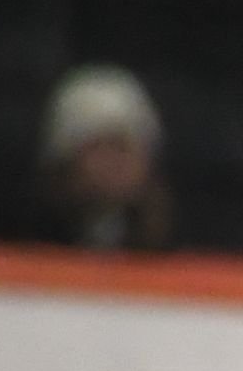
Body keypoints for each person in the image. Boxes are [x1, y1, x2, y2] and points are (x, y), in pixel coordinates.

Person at [29, 63, 177, 252]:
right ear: (64, 161)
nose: (115, 163)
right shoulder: (22, 239)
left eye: (124, 147)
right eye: (100, 147)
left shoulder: (177, 246)